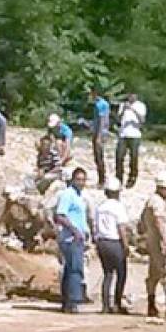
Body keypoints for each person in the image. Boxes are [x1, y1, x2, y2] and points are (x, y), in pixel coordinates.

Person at [140, 170, 166, 319]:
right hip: (161, 241)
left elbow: (142, 221)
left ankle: (151, 305)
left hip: (154, 241)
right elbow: (158, 221)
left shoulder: (152, 201)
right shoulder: (157, 202)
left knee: (154, 274)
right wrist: (164, 241)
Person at [54, 167, 91, 313]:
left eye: (83, 180)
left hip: (78, 237)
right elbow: (60, 216)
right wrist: (75, 231)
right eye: (79, 179)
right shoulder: (68, 194)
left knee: (69, 270)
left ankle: (66, 301)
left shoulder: (79, 196)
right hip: (71, 238)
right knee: (75, 269)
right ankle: (73, 301)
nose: (81, 183)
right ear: (73, 179)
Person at [94, 178, 129, 314]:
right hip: (114, 242)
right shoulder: (118, 207)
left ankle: (105, 305)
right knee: (121, 273)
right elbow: (121, 227)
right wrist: (126, 245)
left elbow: (95, 225)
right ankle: (117, 303)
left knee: (107, 274)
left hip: (102, 241)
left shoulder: (100, 207)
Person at [116, 93, 147, 189]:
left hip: (135, 135)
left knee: (133, 157)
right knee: (119, 156)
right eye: (129, 96)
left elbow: (142, 120)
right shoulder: (123, 105)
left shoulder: (141, 106)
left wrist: (133, 110)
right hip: (123, 134)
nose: (131, 97)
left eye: (133, 96)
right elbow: (118, 119)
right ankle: (119, 178)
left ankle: (132, 177)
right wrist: (123, 110)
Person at [89, 87, 111, 186]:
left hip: (100, 133)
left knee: (99, 156)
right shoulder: (98, 104)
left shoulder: (101, 104)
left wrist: (99, 136)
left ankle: (102, 180)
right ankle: (101, 178)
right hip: (97, 131)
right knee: (96, 157)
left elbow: (102, 120)